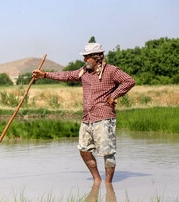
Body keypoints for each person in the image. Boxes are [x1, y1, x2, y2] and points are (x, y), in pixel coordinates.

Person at [32, 43, 135, 183]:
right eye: (85, 57)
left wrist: (114, 96)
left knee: (107, 153)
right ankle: (97, 180)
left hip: (104, 117)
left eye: (87, 57)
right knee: (84, 150)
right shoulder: (84, 72)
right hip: (87, 118)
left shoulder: (111, 71)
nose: (85, 60)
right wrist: (44, 75)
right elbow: (67, 75)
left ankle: (108, 184)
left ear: (98, 57)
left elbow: (129, 81)